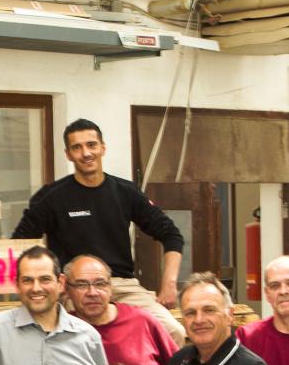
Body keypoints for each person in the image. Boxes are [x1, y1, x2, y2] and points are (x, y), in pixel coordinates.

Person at [11, 118, 187, 344]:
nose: (86, 153)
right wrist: (51, 283)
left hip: (121, 286)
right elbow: (18, 246)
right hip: (75, 290)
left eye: (91, 145)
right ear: (68, 154)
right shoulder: (51, 197)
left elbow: (171, 235)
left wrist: (169, 284)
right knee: (75, 341)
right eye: (77, 147)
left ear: (102, 148)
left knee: (173, 332)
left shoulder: (126, 192)